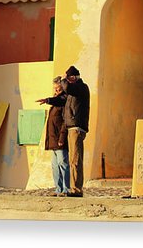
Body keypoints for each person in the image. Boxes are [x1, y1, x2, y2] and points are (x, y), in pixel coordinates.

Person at [60, 65, 90, 197]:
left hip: (77, 128)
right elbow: (62, 98)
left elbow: (67, 88)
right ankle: (74, 188)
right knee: (73, 159)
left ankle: (76, 189)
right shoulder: (74, 90)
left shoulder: (81, 88)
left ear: (73, 77)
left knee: (75, 159)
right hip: (71, 127)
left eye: (69, 77)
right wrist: (49, 100)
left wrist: (63, 80)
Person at [36, 77, 70, 196]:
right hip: (52, 140)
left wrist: (61, 138)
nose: (56, 91)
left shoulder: (64, 102)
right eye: (55, 89)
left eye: (58, 89)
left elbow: (64, 123)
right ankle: (58, 189)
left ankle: (66, 189)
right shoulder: (55, 103)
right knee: (55, 166)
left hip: (59, 140)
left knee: (63, 164)